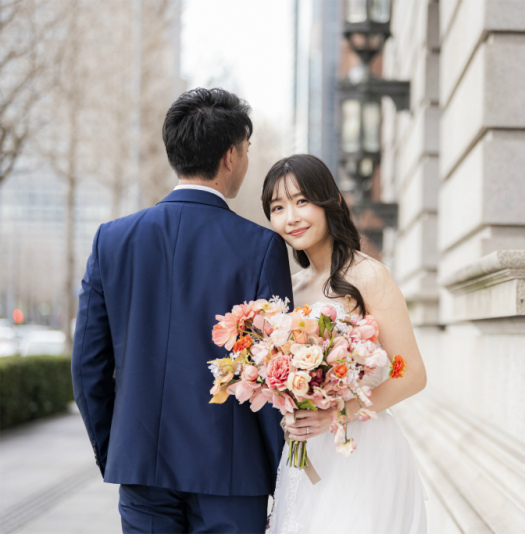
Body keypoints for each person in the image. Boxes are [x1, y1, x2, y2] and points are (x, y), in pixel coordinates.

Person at [71, 87, 293, 533]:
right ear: (230, 156)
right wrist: (281, 478)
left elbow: (87, 366)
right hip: (232, 476)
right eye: (247, 149)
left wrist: (117, 452)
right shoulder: (261, 247)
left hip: (142, 469)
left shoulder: (112, 240)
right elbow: (275, 374)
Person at [262, 154, 428, 534]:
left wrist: (337, 413)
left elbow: (412, 374)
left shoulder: (368, 276)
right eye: (278, 207)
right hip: (306, 450)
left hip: (361, 448)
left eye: (302, 201)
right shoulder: (291, 286)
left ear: (331, 201)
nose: (291, 217)